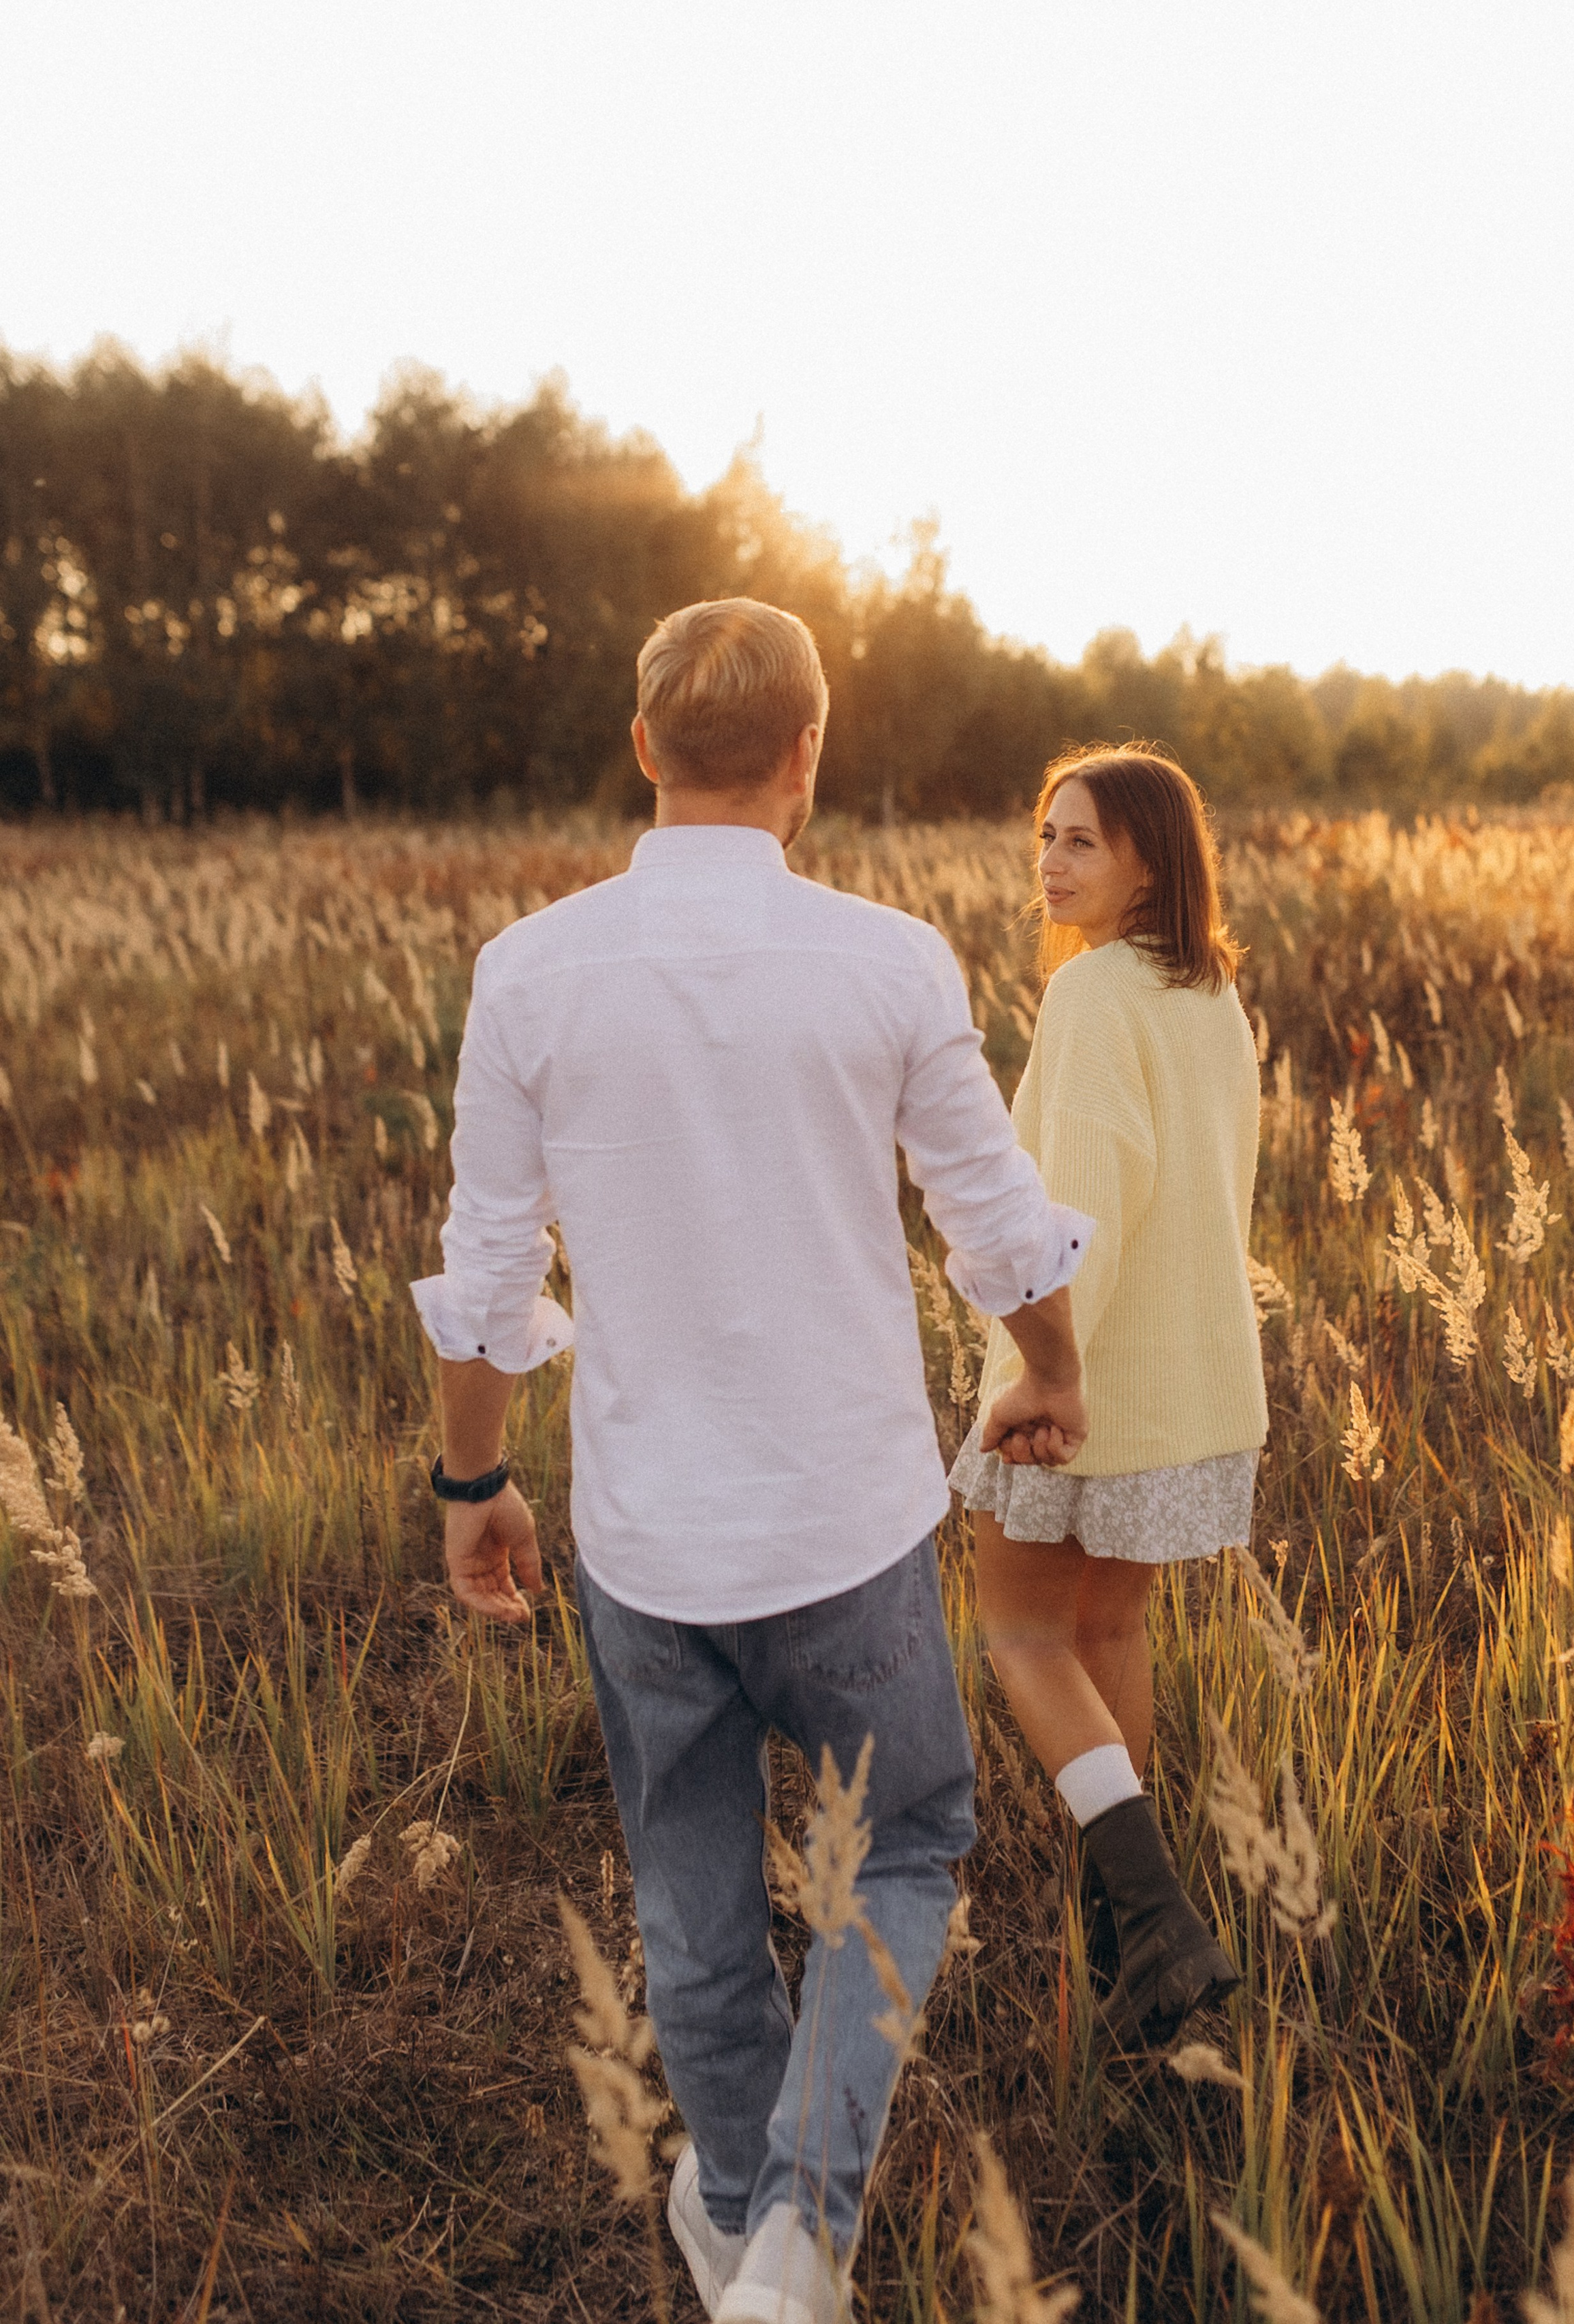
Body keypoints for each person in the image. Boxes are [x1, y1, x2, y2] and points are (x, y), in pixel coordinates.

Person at [411, 599, 1092, 2324]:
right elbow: (996, 1221)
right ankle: (793, 2229)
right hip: (848, 1523)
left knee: (688, 1896)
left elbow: (489, 1269)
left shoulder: (529, 971)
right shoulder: (886, 958)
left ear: (643, 750)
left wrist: (471, 1486)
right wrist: (1045, 1370)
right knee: (912, 1842)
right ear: (807, 758)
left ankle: (739, 2221)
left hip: (648, 1543)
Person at [948, 744, 1267, 2051]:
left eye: (1082, 839)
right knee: (1109, 1637)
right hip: (1194, 1391)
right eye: (1046, 834)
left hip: (1085, 1382)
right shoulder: (1211, 1004)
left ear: (1152, 860)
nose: (1052, 860)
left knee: (1020, 1632)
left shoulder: (1091, 1001)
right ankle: (1126, 1939)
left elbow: (1075, 1206)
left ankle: (1153, 1913)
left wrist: (1044, 1373)